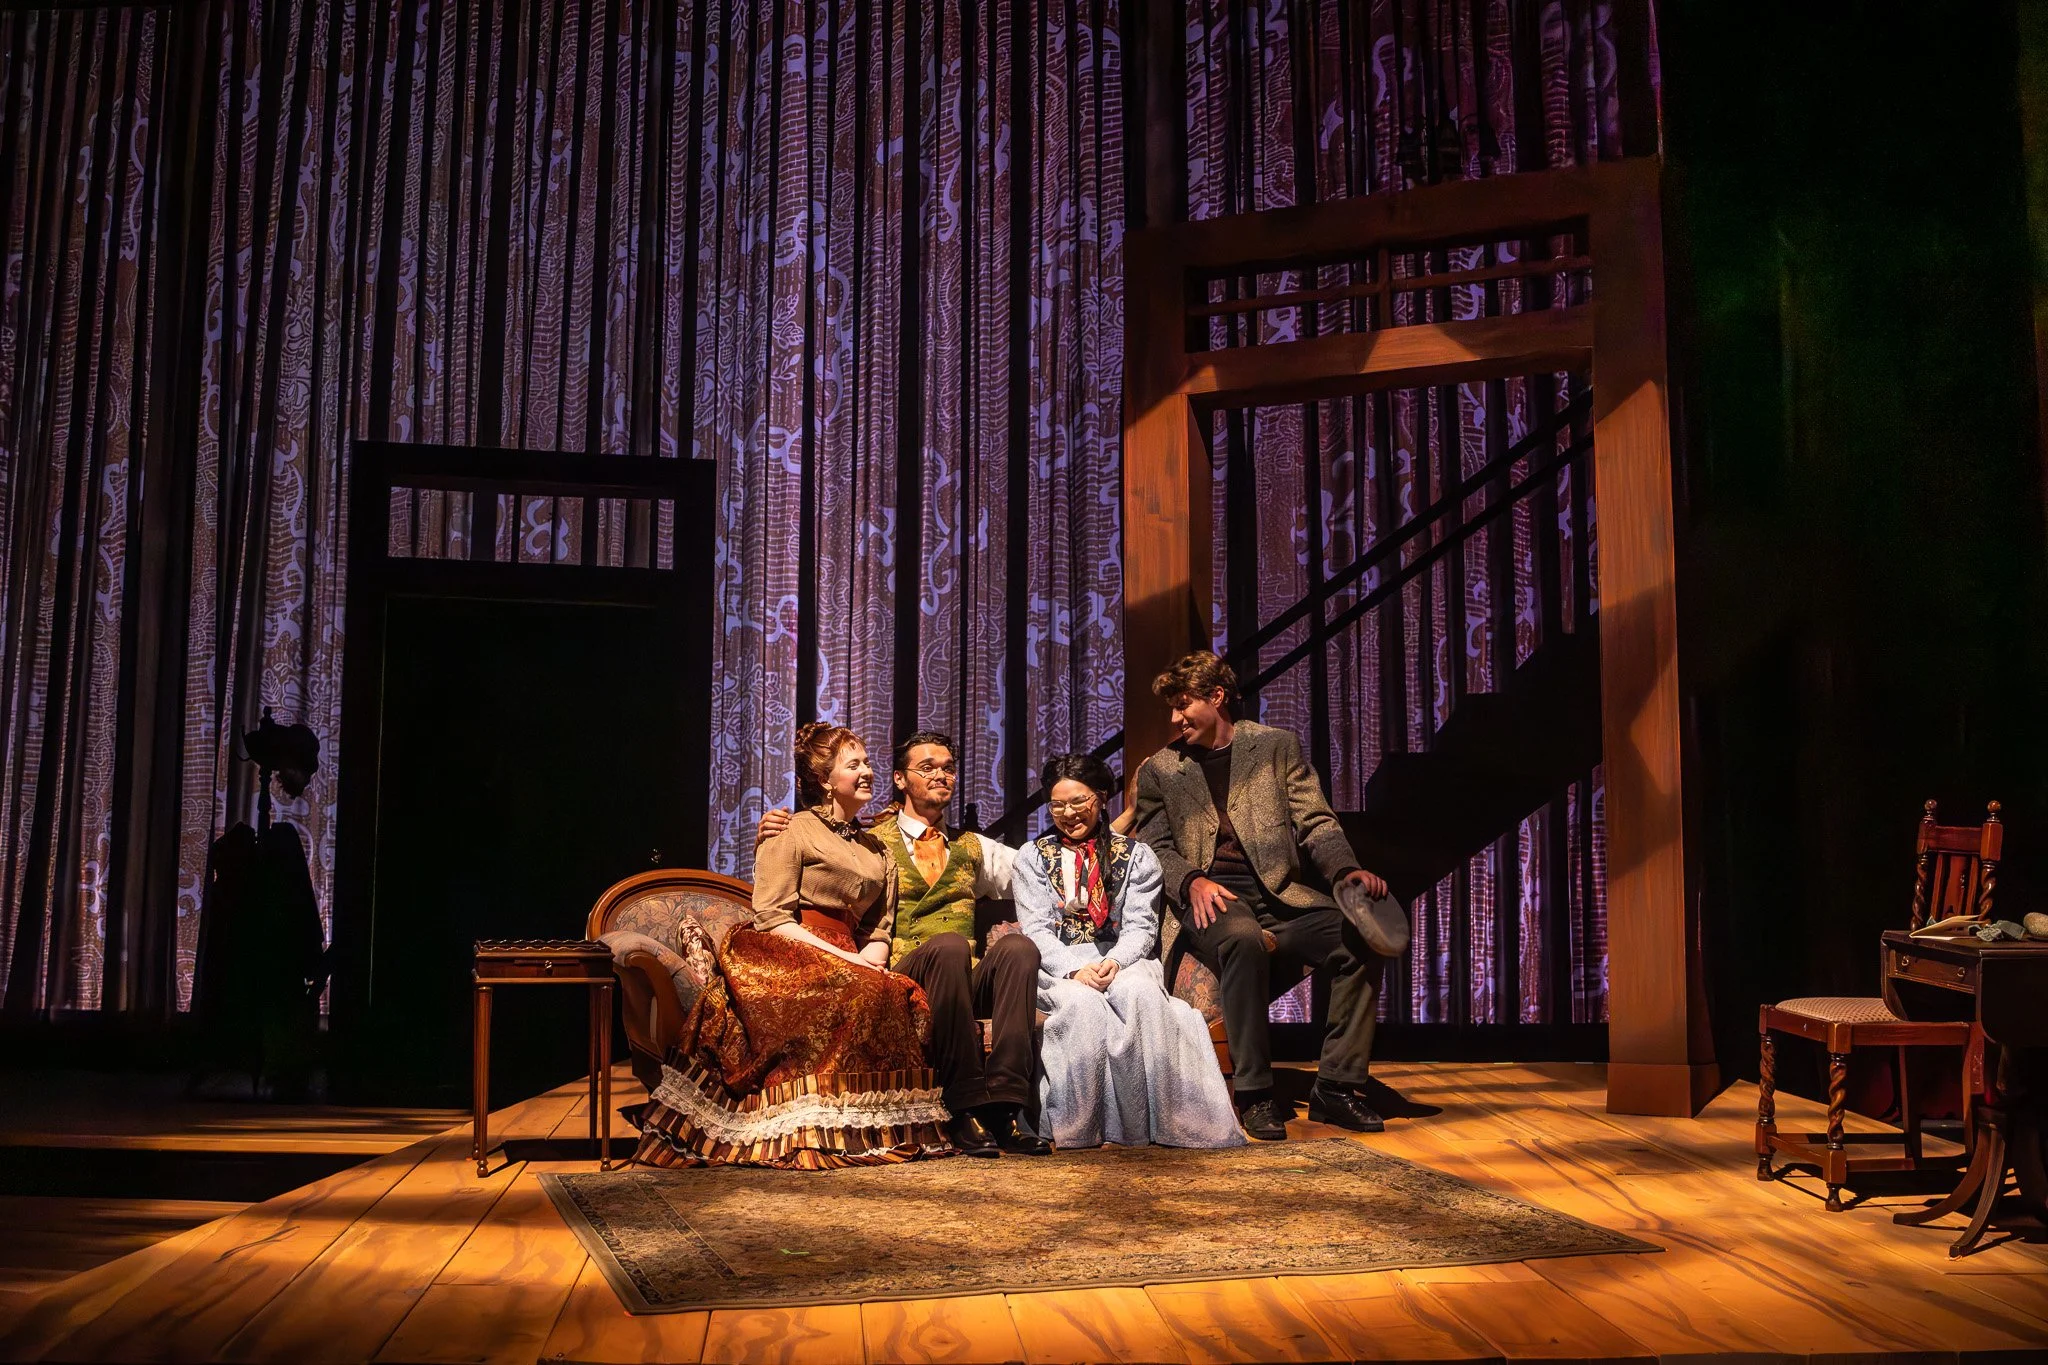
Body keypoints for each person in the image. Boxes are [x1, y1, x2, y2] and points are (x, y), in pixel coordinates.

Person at [630, 723, 951, 1169]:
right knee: (860, 990)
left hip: (848, 951)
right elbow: (772, 915)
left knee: (889, 991)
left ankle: (867, 1129)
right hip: (785, 946)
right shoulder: (792, 829)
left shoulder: (878, 850)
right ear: (824, 779)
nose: (867, 772)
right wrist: (845, 960)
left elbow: (879, 928)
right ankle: (808, 1123)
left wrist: (868, 962)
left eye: (868, 763)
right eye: (853, 764)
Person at [1133, 651, 1402, 1140]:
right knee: (1242, 938)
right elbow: (1154, 847)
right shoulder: (1161, 770)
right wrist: (1192, 880)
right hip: (1205, 898)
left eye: (1182, 705)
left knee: (1359, 938)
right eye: (1170, 709)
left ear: (1216, 698)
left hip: (1280, 896)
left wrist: (1346, 871)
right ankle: (1254, 1092)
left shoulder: (1276, 747)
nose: (1174, 719)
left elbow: (1316, 822)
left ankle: (1336, 1087)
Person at [757, 731, 1051, 1156]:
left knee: (1018, 950)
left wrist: (1101, 833)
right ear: (900, 779)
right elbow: (797, 888)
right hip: (907, 972)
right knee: (949, 945)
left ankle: (1005, 1109)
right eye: (927, 767)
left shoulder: (971, 847)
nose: (941, 776)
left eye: (949, 768)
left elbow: (1043, 869)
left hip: (960, 981)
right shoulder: (876, 840)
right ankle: (961, 1105)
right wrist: (765, 833)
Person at [1012, 753, 1244, 1149]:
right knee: (1082, 1007)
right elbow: (1035, 929)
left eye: (1078, 802)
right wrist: (1074, 971)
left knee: (1136, 995)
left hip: (1125, 959)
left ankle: (1153, 1125)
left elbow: (1141, 927)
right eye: (1058, 805)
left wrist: (1115, 961)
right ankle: (1080, 1127)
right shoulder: (1031, 857)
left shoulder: (1138, 856)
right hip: (1059, 965)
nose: (1068, 813)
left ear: (1101, 799)